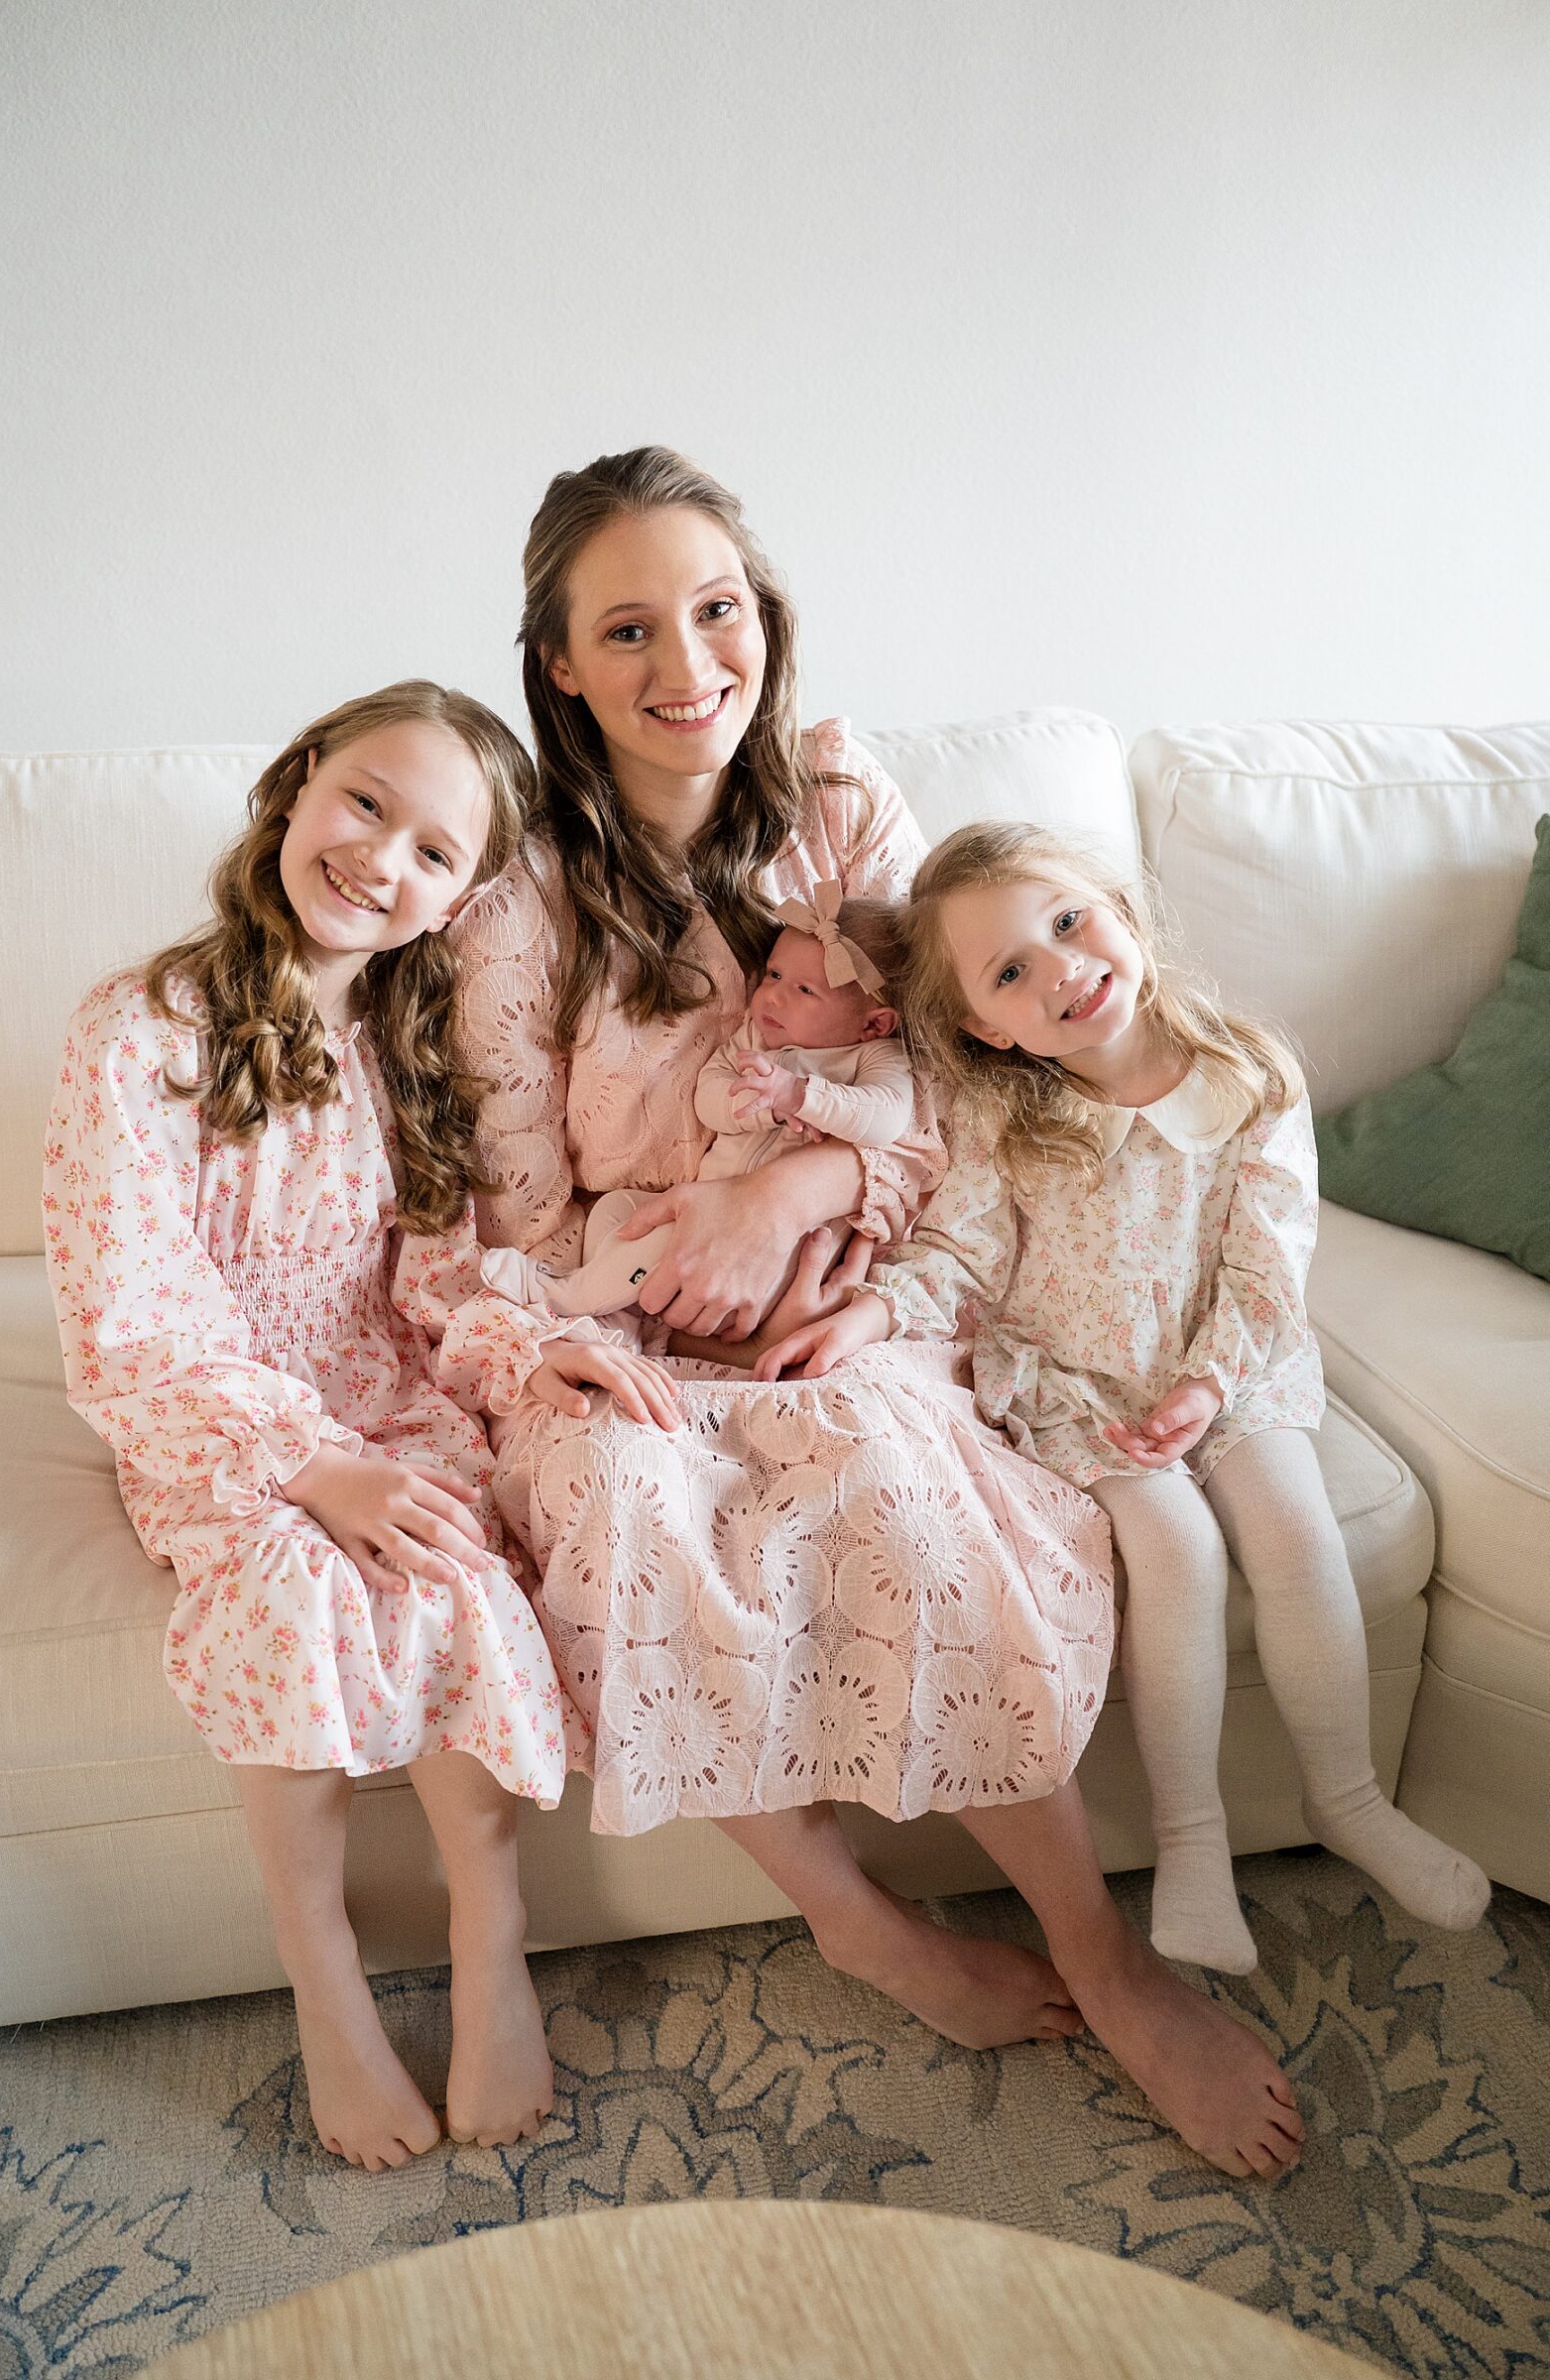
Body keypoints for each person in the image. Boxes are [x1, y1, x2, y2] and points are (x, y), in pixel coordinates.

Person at [455, 446, 1307, 2176]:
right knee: (626, 1515)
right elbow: (510, 1207)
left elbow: (968, 1083)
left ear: (760, 615)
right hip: (615, 1310)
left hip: (860, 1261)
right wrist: (646, 1282)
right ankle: (855, 1920)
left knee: (892, 1480)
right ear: (555, 664)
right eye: (624, 629)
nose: (683, 661)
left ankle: (1102, 1957)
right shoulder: (513, 893)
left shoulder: (843, 811)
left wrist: (803, 1192)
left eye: (713, 609)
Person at [43, 681, 662, 2171]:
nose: (384, 860)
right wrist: (309, 1469)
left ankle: (489, 1933)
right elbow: (129, 1311)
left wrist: (529, 1351)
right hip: (223, 1416)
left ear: (455, 902)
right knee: (298, 1581)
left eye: (435, 854)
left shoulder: (404, 1038)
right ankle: (321, 1972)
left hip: (377, 1386)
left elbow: (433, 1277)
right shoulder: (138, 1032)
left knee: (456, 1563)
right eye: (367, 804)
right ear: (302, 781)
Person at [770, 817, 1490, 1983]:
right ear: (979, 1025)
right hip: (1080, 1384)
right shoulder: (1008, 1115)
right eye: (1011, 970)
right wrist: (870, 1312)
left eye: (1068, 922)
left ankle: (1348, 1798)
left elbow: (1270, 1257)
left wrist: (1211, 1385)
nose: (1061, 968)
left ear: (1121, 910)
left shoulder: (1250, 1072)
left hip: (1229, 1368)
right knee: (1179, 1554)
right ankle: (1191, 1845)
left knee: (1301, 1539)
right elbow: (958, 1252)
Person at [486, 884, 912, 1319]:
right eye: (774, 974)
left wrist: (801, 1096)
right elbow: (709, 1095)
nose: (773, 996)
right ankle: (614, 1302)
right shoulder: (756, 1036)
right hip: (707, 1205)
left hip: (769, 1254)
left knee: (657, 1247)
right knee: (619, 1210)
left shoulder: (874, 1056)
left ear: (874, 1024)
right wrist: (759, 1106)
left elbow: (888, 1118)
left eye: (805, 991)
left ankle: (568, 1298)